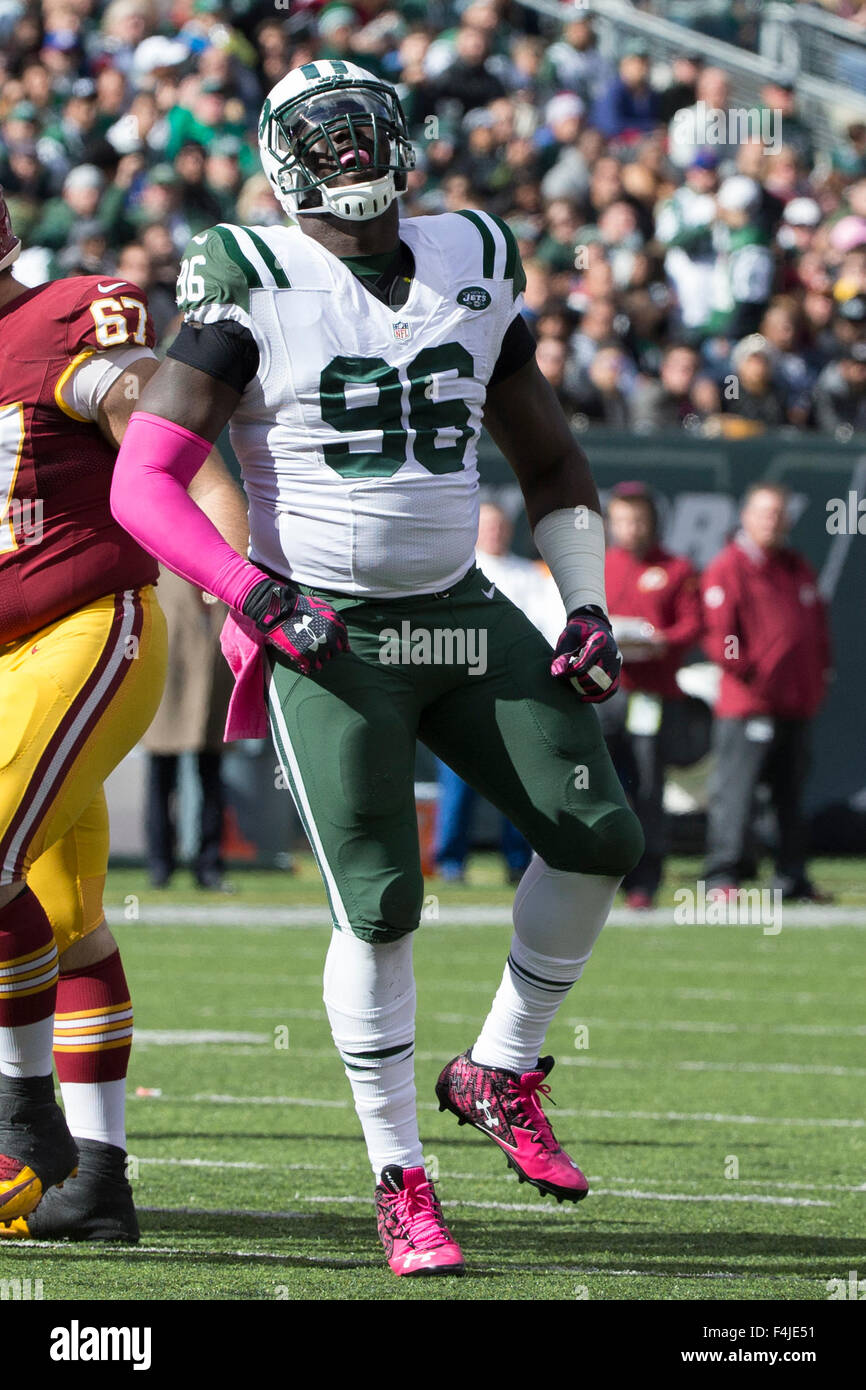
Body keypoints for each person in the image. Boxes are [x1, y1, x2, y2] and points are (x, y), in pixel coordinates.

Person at [109, 62, 642, 1278]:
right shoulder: (251, 271)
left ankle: (499, 1068)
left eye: (363, 129)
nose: (351, 153)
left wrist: (587, 604)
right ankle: (400, 1177)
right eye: (328, 136)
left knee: (598, 830)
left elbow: (551, 462)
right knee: (382, 903)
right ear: (286, 156)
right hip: (329, 627)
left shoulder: (474, 251)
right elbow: (143, 480)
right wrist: (250, 590)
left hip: (455, 609)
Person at [0, 189, 246, 1243]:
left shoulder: (62, 315)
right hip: (12, 660)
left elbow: (149, 407)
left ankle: (22, 1123)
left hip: (84, 629)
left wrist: (245, 588)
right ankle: (96, 1176)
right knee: (62, 918)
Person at [700, 483, 832, 902]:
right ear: (746, 516)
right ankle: (723, 876)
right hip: (748, 704)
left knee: (790, 799)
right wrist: (750, 672)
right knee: (735, 793)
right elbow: (722, 636)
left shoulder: (796, 567)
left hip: (795, 705)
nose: (772, 521)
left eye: (779, 513)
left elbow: (814, 630)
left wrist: (818, 675)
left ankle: (792, 878)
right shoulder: (728, 567)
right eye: (764, 512)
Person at [434, 502, 563, 884]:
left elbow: (552, 625)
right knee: (458, 783)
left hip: (518, 693)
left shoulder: (531, 575)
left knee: (521, 785)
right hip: (461, 693)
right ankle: (450, 861)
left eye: (499, 526)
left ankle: (518, 860)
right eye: (486, 526)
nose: (494, 533)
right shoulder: (453, 570)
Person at [600, 484, 702, 909]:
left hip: (652, 695)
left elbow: (694, 625)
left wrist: (662, 640)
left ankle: (645, 879)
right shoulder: (599, 566)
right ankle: (599, 870)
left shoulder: (678, 568)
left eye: (639, 520)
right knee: (596, 781)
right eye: (623, 520)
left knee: (647, 786)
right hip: (604, 692)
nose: (631, 528)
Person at [143, 568, 234, 892]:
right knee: (161, 775)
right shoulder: (160, 554)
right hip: (169, 672)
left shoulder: (222, 540)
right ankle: (159, 865)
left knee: (212, 775)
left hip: (212, 671)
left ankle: (209, 866)